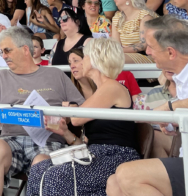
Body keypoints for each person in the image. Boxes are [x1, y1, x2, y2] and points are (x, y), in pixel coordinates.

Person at [0, 26, 85, 196]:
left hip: (48, 139)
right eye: (1, 52)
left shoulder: (55, 74)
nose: (4, 56)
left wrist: (63, 115)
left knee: (41, 163)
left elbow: (79, 107)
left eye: (7, 50)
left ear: (25, 49)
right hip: (10, 139)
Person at [28, 38, 140, 196]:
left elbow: (76, 119)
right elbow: (86, 139)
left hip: (116, 156)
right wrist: (65, 132)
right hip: (96, 154)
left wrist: (72, 108)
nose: (81, 62)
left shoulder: (112, 87)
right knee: (39, 169)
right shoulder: (102, 91)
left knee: (55, 176)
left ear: (95, 59)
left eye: (85, 57)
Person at [106, 15, 188, 196]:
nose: (147, 52)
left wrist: (169, 109)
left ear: (171, 52)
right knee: (114, 183)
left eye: (150, 46)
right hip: (185, 158)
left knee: (127, 174)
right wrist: (173, 121)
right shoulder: (179, 76)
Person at [111, 0, 158, 64]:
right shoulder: (117, 17)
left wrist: (120, 51)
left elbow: (143, 45)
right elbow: (116, 43)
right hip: (122, 54)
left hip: (144, 55)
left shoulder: (144, 16)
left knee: (113, 58)